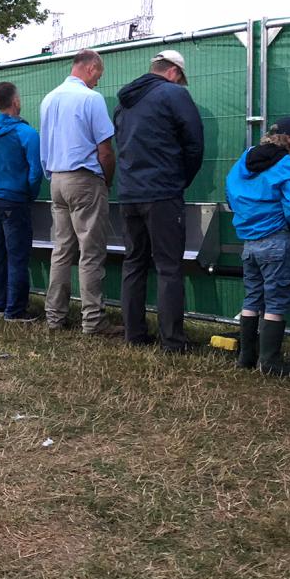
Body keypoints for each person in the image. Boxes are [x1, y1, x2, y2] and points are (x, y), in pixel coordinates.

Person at [114, 49, 205, 352]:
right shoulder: (173, 94)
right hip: (162, 192)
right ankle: (172, 342)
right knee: (168, 267)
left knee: (134, 263)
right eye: (181, 79)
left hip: (128, 193)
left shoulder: (125, 100)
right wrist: (180, 180)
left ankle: (134, 334)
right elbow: (194, 143)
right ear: (174, 72)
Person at [39, 49, 119, 335]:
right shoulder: (91, 99)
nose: (98, 80)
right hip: (85, 180)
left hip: (57, 180)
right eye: (99, 74)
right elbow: (106, 151)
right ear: (90, 68)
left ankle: (54, 317)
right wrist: (105, 182)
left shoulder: (48, 99)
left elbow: (44, 145)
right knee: (91, 252)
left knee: (61, 251)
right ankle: (93, 321)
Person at [225, 117, 290, 376]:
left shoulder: (246, 157)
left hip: (249, 242)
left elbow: (230, 192)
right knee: (276, 299)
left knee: (253, 297)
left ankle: (246, 357)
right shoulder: (288, 164)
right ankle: (270, 362)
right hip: (275, 239)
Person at [0, 81, 43, 322]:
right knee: (17, 255)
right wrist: (29, 194)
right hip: (14, 199)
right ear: (16, 102)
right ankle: (15, 309)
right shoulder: (27, 133)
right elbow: (36, 171)